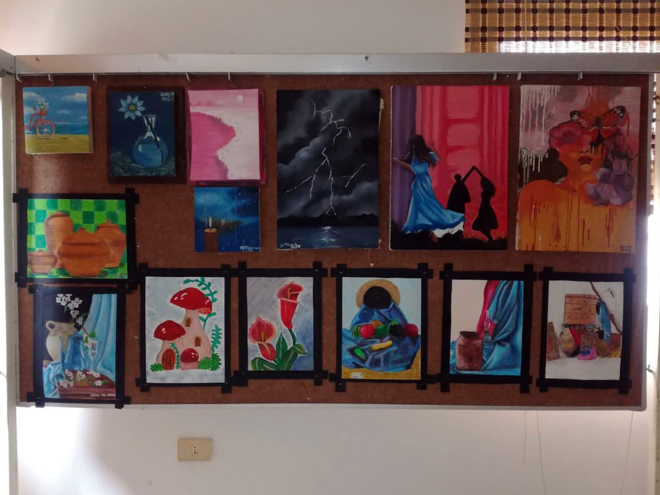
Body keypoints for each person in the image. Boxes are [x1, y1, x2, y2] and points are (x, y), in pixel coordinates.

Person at [392, 135, 464, 241]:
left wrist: (433, 147)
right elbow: (413, 169)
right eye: (412, 145)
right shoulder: (414, 155)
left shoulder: (425, 154)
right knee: (418, 204)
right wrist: (399, 162)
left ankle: (437, 222)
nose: (412, 147)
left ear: (418, 145)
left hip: (424, 182)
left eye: (414, 145)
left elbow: (438, 158)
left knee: (427, 203)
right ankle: (421, 226)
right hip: (417, 183)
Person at [472, 172, 498, 242]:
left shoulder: (487, 191)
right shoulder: (487, 190)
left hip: (485, 207)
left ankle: (490, 238)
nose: (481, 185)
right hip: (484, 206)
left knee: (483, 224)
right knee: (484, 224)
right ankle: (490, 238)